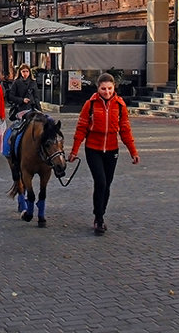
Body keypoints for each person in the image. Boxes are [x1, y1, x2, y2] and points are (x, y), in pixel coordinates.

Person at [69, 71, 139, 236]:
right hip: (93, 149)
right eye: (103, 89)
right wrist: (74, 150)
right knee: (100, 182)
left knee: (107, 184)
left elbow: (125, 130)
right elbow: (81, 129)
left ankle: (101, 212)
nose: (106, 92)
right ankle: (98, 218)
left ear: (114, 87)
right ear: (97, 89)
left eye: (109, 88)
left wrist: (133, 152)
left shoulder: (120, 105)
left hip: (112, 150)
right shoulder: (90, 104)